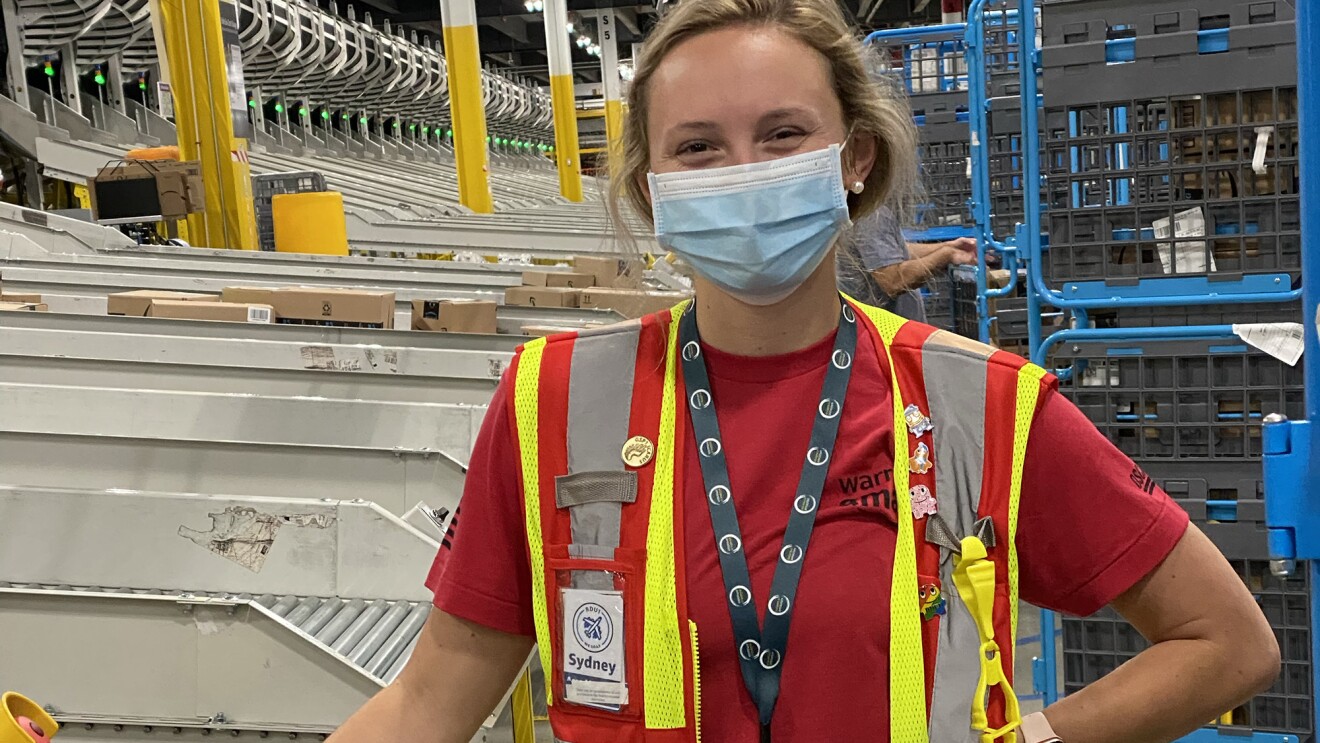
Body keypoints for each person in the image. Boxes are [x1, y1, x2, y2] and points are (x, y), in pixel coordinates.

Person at [329, 1, 1280, 742]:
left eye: (783, 135)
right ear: (653, 190)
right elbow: (425, 704)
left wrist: (1035, 733)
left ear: (852, 158)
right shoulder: (555, 404)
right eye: (698, 146)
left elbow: (1224, 642)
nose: (742, 169)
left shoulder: (973, 403)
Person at [836, 205, 978, 321]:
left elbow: (895, 252)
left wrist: (950, 246)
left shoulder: (868, 212)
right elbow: (893, 280)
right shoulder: (871, 216)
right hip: (885, 337)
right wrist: (947, 255)